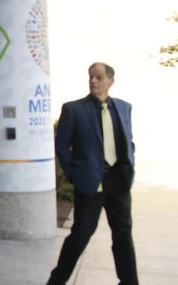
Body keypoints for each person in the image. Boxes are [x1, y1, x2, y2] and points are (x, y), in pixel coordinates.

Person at [48, 62, 137, 285]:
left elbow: (128, 141)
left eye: (98, 77)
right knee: (81, 235)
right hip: (90, 182)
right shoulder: (74, 109)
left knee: (123, 235)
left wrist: (129, 165)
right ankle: (57, 281)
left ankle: (129, 282)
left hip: (119, 181)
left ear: (110, 81)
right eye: (90, 77)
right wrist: (73, 175)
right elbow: (62, 145)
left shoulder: (124, 107)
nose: (93, 81)